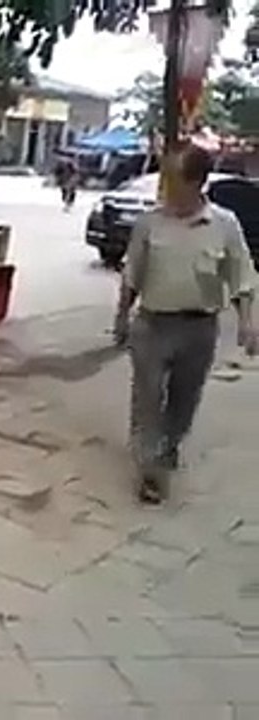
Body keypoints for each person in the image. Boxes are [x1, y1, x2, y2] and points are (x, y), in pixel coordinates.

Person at [113, 143, 257, 504]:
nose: (167, 187)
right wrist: (121, 316)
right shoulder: (150, 223)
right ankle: (150, 468)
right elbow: (132, 273)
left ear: (197, 182)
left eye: (174, 179)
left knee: (184, 398)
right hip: (152, 324)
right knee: (146, 397)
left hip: (199, 328)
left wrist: (248, 322)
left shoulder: (223, 225)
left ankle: (169, 444)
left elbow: (241, 276)